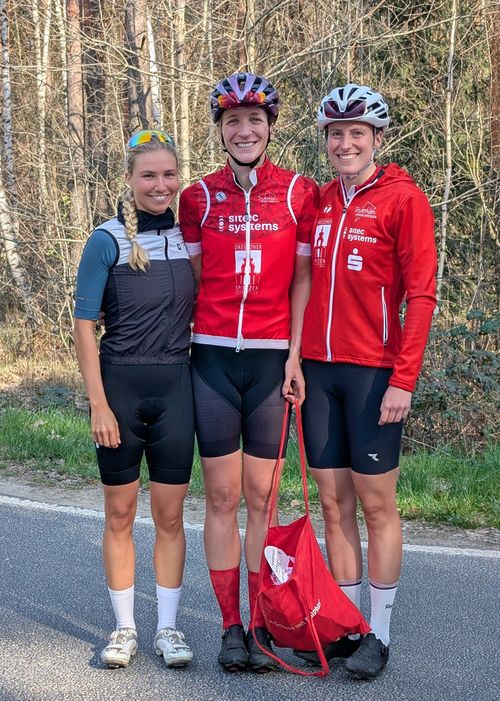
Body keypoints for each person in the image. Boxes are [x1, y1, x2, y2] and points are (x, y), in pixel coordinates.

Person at [179, 72, 319, 673]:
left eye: (254, 120)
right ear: (220, 130)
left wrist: (295, 355)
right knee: (221, 496)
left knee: (262, 497)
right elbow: (188, 283)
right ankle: (229, 626)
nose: (244, 130)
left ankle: (261, 622)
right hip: (211, 359)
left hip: (269, 362)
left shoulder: (298, 194)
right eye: (232, 120)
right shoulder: (197, 198)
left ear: (270, 128)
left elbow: (303, 280)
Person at [299, 84, 437, 679]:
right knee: (334, 503)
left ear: (377, 138)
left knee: (377, 506)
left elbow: (422, 296)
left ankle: (379, 633)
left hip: (374, 374)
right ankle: (346, 625)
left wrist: (404, 380)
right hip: (318, 370)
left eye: (357, 133)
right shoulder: (320, 201)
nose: (345, 143)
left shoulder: (404, 199)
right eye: (336, 134)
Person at [73, 130, 195, 669]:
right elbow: (83, 325)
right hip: (120, 392)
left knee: (170, 518)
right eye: (149, 175)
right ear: (129, 179)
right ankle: (124, 629)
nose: (160, 185)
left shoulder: (191, 238)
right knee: (120, 513)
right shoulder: (106, 239)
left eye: (169, 174)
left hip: (176, 391)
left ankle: (168, 628)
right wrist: (98, 404)